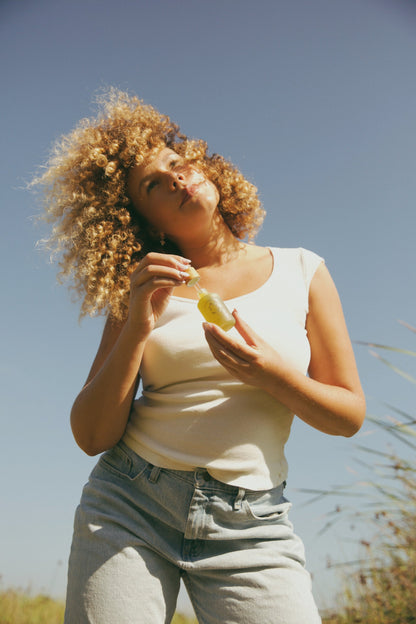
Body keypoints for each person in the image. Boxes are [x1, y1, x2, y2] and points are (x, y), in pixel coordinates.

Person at [35, 88, 366, 624]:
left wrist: (274, 376)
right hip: (131, 506)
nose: (177, 179)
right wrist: (139, 323)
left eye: (176, 164)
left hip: (251, 524)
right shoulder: (141, 288)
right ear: (150, 223)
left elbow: (348, 415)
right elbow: (91, 435)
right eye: (154, 185)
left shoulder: (304, 270)